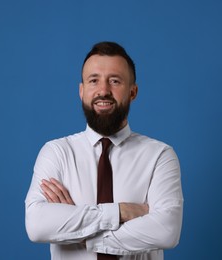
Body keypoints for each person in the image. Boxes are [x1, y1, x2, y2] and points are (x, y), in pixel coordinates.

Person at [25, 41, 183, 260]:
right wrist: (121, 212)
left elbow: (166, 232)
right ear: (81, 91)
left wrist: (79, 231)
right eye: (93, 80)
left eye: (115, 81)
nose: (103, 91)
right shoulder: (57, 153)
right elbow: (37, 225)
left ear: (133, 92)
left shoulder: (159, 156)